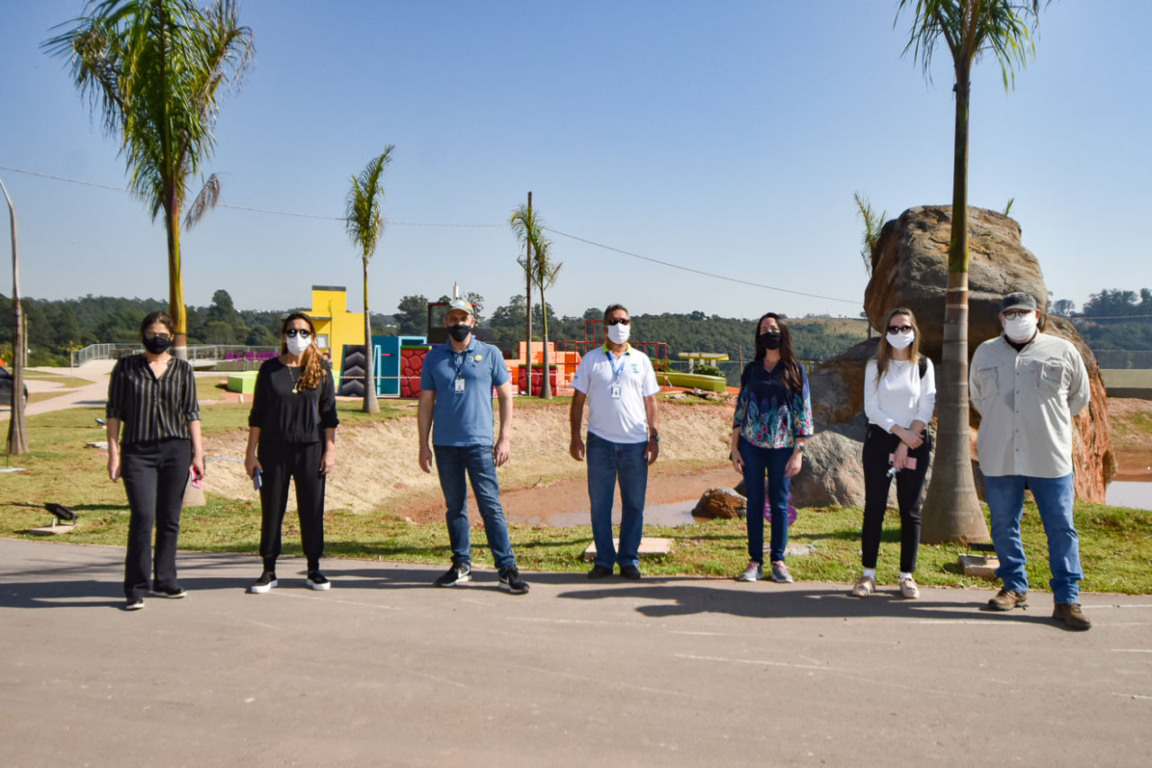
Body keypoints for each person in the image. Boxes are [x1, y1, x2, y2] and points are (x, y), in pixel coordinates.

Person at [970, 292, 1092, 630]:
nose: (1017, 318)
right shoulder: (986, 353)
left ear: (1037, 315)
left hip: (1048, 455)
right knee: (1004, 524)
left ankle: (1067, 599)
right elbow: (978, 396)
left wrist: (1045, 422)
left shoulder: (1062, 351)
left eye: (1023, 312)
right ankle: (1014, 586)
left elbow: (1078, 397)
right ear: (1001, 319)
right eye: (1010, 313)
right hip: (1000, 454)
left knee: (1061, 526)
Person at [417, 299, 529, 594]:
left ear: (473, 322)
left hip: (479, 444)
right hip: (445, 444)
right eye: (453, 318)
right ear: (446, 322)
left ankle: (507, 568)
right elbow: (426, 403)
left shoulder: (490, 354)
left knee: (490, 506)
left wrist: (504, 437)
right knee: (455, 507)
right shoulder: (434, 358)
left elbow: (506, 397)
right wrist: (423, 444)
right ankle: (461, 565)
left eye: (463, 318)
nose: (458, 323)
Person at [106, 311, 204, 611]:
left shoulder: (183, 370)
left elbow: (192, 413)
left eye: (163, 334)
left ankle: (165, 579)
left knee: (169, 518)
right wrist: (113, 454)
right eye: (151, 333)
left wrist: (198, 453)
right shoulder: (126, 367)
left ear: (171, 337)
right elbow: (114, 412)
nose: (157, 339)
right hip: (138, 451)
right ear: (142, 335)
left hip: (176, 449)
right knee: (143, 517)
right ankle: (135, 587)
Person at [244, 312, 339, 594]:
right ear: (284, 336)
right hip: (273, 450)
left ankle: (314, 568)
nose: (298, 337)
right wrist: (251, 453)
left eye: (304, 332)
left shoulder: (321, 369)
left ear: (312, 336)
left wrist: (330, 450)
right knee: (272, 509)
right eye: (292, 331)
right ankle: (268, 570)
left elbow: (329, 415)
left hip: (311, 449)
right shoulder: (269, 370)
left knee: (312, 510)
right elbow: (257, 414)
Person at [569, 304, 661, 579]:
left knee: (634, 505)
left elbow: (651, 402)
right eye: (613, 321)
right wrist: (575, 437)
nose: (619, 326)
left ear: (630, 325)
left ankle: (629, 560)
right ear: (604, 327)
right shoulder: (591, 359)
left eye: (624, 321)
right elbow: (577, 401)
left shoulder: (641, 360)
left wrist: (654, 437)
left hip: (635, 444)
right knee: (600, 505)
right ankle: (604, 561)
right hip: (600, 442)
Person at [852, 307, 936, 599]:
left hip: (914, 441)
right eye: (894, 328)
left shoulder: (923, 365)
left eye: (905, 327)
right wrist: (900, 434)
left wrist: (906, 441)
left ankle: (906, 576)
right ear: (885, 332)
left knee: (910, 509)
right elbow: (872, 407)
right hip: (880, 440)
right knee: (874, 507)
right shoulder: (875, 366)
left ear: (914, 331)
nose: (900, 333)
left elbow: (927, 405)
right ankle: (868, 575)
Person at [730, 312, 813, 583]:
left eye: (773, 328)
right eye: (764, 329)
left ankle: (778, 561)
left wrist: (798, 451)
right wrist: (735, 448)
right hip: (751, 446)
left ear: (783, 332)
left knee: (779, 503)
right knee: (754, 503)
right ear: (759, 336)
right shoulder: (752, 369)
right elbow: (740, 409)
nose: (769, 333)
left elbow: (804, 412)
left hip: (783, 447)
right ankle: (755, 561)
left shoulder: (795, 369)